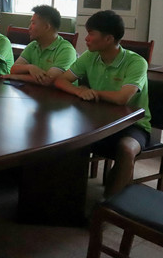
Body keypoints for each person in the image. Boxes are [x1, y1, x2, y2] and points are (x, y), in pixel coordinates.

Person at [54, 10, 151, 198]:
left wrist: (94, 92)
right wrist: (79, 90)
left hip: (134, 124)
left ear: (108, 39)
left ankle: (109, 206)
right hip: (98, 120)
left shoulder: (136, 62)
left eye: (91, 34)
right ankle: (65, 197)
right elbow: (60, 80)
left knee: (126, 149)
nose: (86, 39)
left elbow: (122, 98)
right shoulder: (90, 56)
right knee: (64, 137)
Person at [2, 5, 77, 85]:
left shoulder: (66, 50)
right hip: (35, 91)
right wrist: (30, 67)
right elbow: (13, 69)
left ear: (46, 27)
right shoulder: (33, 45)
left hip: (57, 93)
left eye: (33, 23)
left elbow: (48, 80)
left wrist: (16, 77)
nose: (29, 27)